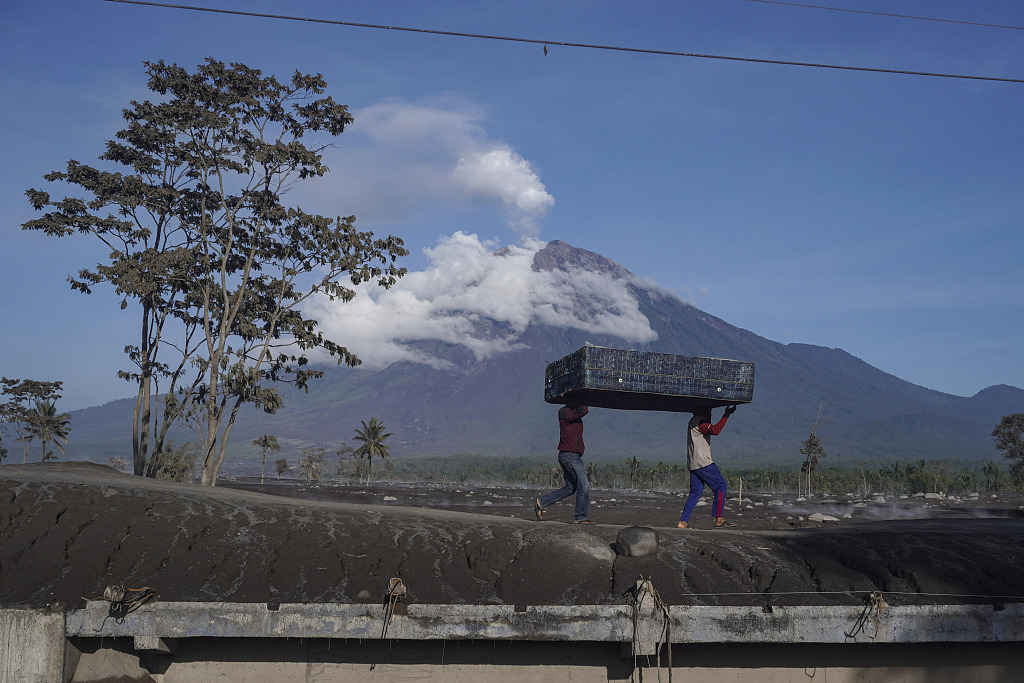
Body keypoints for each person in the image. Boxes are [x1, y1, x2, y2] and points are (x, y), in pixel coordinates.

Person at [678, 404, 737, 529]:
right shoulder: (700, 422)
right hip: (703, 463)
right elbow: (715, 430)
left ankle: (683, 522)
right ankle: (719, 518)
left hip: (693, 463)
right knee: (721, 486)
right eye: (709, 410)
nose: (710, 413)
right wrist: (726, 415)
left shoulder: (693, 421)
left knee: (695, 493)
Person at [535, 404, 593, 524]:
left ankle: (541, 502)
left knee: (570, 487)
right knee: (584, 485)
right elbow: (584, 409)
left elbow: (581, 410)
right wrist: (583, 397)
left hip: (568, 455)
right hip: (570, 455)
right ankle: (580, 518)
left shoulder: (571, 414)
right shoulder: (565, 412)